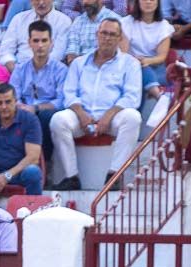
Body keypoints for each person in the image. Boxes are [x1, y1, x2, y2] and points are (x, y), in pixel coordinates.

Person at [49, 19, 141, 191]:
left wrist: (109, 115)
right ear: (96, 35)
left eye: (112, 34)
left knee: (133, 117)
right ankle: (71, 176)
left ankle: (114, 174)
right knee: (58, 120)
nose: (107, 38)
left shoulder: (130, 63)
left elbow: (132, 97)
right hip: (82, 117)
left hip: (113, 119)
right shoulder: (79, 63)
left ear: (120, 38)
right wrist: (80, 113)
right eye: (104, 33)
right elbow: (69, 93)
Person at [9, 21, 68, 169]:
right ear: (29, 43)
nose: (40, 45)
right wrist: (21, 107)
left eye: (44, 40)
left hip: (46, 113)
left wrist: (36, 108)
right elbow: (13, 95)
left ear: (51, 43)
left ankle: (45, 162)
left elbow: (61, 101)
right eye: (36, 40)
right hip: (23, 111)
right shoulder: (20, 69)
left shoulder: (61, 70)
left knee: (44, 116)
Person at [122, 0, 175, 105]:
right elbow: (123, 53)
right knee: (138, 70)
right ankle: (158, 95)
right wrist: (136, 62)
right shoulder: (126, 22)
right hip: (131, 64)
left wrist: (146, 61)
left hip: (156, 66)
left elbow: (161, 57)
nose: (148, 2)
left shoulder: (164, 26)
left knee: (141, 72)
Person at [0, 0, 71, 70]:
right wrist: (14, 69)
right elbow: (5, 50)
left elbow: (58, 55)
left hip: (49, 69)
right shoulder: (19, 19)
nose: (41, 3)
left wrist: (36, 70)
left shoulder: (64, 21)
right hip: (17, 67)